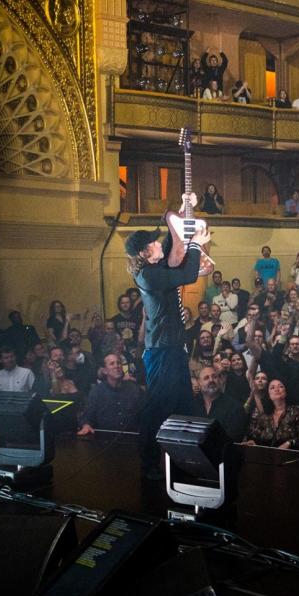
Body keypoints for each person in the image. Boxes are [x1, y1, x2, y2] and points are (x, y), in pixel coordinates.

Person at [126, 204, 210, 479]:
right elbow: (186, 274)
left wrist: (182, 210)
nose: (157, 243)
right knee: (158, 407)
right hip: (162, 351)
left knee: (184, 404)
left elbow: (170, 241)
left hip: (172, 348)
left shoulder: (154, 266)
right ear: (143, 253)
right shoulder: (148, 274)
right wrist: (196, 244)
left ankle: (186, 457)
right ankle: (148, 462)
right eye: (151, 242)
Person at [78, 353, 143, 434]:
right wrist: (86, 425)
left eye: (118, 363)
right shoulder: (97, 392)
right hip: (105, 440)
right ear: (105, 371)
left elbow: (144, 414)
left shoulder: (134, 389)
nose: (117, 366)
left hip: (132, 439)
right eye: (112, 364)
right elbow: (87, 416)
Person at [244, 379, 299, 449]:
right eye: (272, 388)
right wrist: (252, 442)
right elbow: (256, 438)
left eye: (280, 386)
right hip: (266, 457)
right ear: (269, 396)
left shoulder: (298, 410)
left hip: (293, 457)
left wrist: (290, 443)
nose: (276, 389)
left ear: (286, 392)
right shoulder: (265, 415)